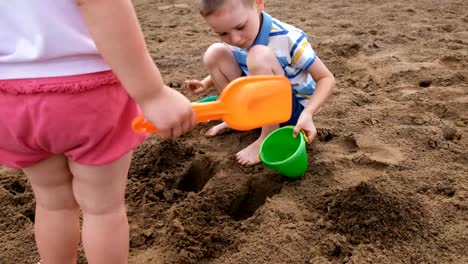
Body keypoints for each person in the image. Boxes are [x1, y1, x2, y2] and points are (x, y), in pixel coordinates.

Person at [0, 0, 196, 263]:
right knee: (102, 209)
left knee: (51, 202)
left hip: (10, 98)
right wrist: (152, 93)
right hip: (86, 93)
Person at [184, 0, 336, 166]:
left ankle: (267, 135)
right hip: (260, 103)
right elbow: (236, 59)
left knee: (258, 56)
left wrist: (308, 113)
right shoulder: (238, 36)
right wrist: (205, 83)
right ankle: (241, 117)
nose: (235, 38)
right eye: (223, 34)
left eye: (241, 27)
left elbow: (326, 78)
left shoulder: (287, 37)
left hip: (292, 113)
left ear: (258, 4)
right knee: (215, 52)